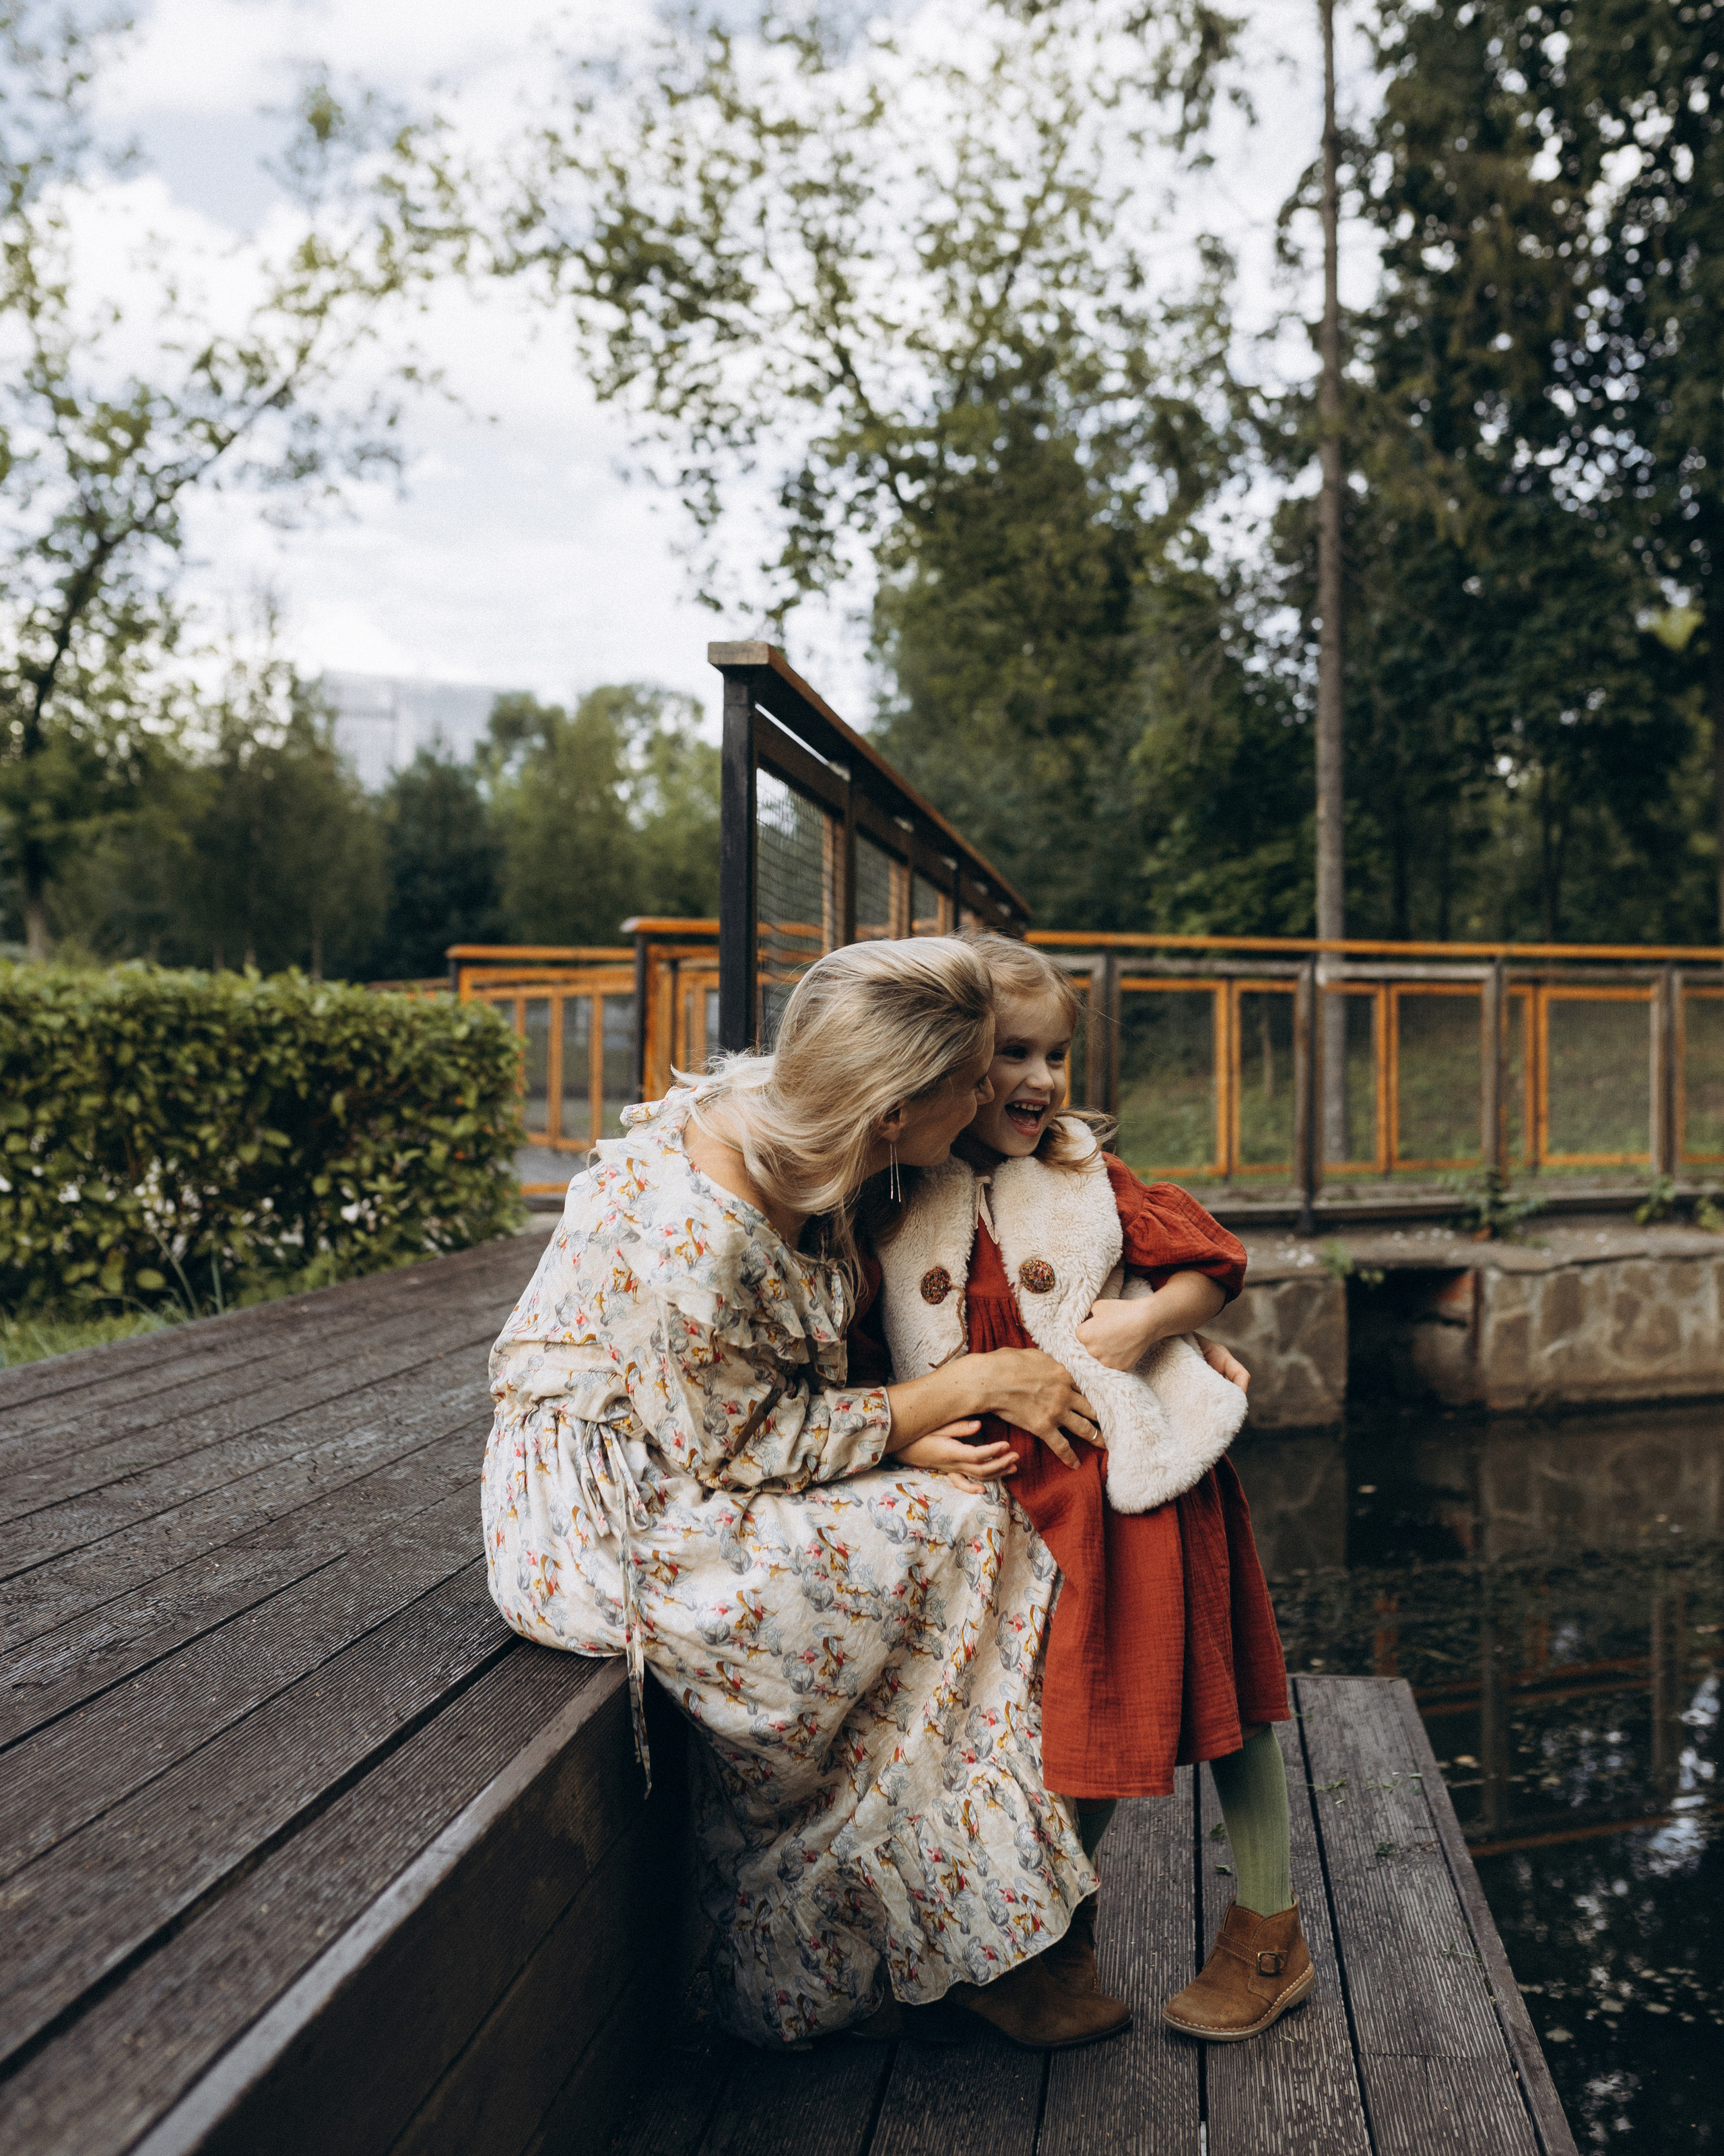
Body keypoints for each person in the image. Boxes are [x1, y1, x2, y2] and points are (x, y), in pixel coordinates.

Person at [481, 937, 1137, 2052]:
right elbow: (740, 1445)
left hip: (718, 1442)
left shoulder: (796, 1118)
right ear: (894, 1113)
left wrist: (1167, 1335)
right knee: (967, 1535)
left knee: (995, 1523)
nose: (988, 1099)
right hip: (614, 1510)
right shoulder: (699, 1225)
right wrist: (947, 1396)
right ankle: (899, 1934)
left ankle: (985, 1921)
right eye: (971, 1083)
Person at [861, 933, 1313, 2043]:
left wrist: (1156, 1321)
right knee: (1065, 1711)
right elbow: (868, 1359)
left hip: (1139, 1488)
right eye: (1011, 1053)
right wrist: (909, 1438)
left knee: (1195, 1695)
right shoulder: (898, 1195)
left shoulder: (1084, 1178)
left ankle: (1266, 1931)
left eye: (1056, 1055)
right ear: (948, 1064)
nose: (1041, 1080)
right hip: (1025, 1504)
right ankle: (1046, 1944)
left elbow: (1210, 1258)